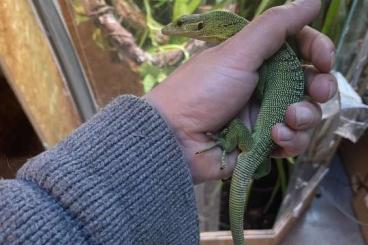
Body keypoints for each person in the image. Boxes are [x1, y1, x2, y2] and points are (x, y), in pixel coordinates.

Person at [0, 0, 336, 244]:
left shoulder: (258, 41)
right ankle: (229, 145)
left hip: (249, 137)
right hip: (250, 141)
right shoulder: (260, 47)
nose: (177, 30)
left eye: (191, 26)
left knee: (271, 141)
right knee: (263, 154)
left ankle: (227, 144)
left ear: (209, 26)